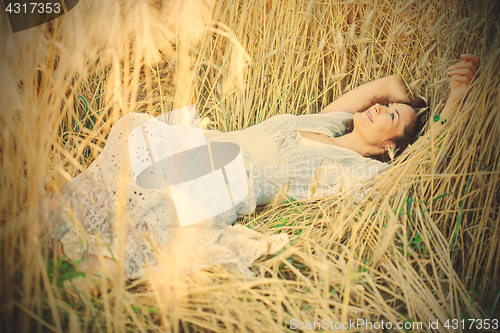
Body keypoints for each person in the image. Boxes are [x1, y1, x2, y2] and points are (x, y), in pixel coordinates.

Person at [52, 54, 480, 279]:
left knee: (142, 230)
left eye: (389, 116)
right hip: (201, 145)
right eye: (384, 108)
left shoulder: (357, 169)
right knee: (103, 183)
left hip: (222, 183)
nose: (380, 108)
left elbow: (419, 165)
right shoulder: (328, 123)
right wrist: (405, 102)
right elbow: (383, 86)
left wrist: (453, 101)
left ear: (388, 148)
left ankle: (72, 294)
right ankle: (39, 259)